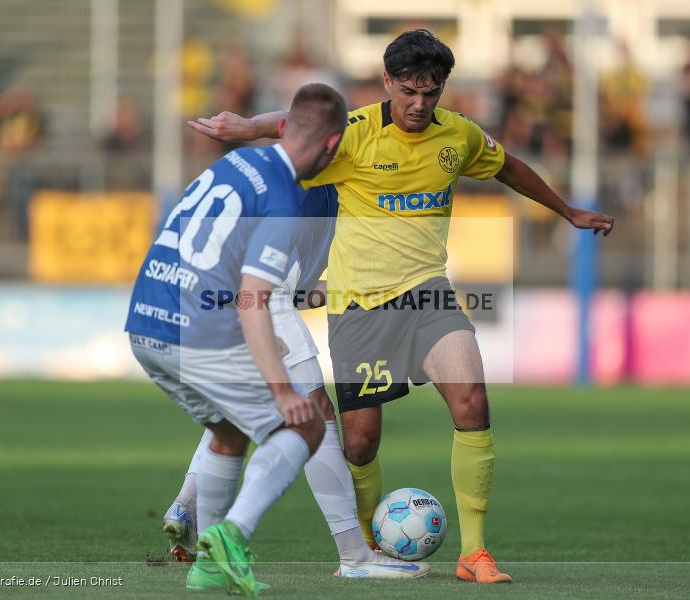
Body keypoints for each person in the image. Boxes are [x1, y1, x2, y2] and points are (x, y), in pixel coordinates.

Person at [190, 29, 614, 585]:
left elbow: (507, 165)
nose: (419, 104)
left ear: (442, 89)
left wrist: (567, 211)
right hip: (359, 307)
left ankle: (475, 553)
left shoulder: (456, 136)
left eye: (431, 93)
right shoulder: (357, 134)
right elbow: (298, 124)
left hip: (429, 294)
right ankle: (365, 547)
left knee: (472, 403)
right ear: (388, 82)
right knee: (361, 443)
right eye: (409, 91)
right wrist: (247, 127)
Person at [125, 83, 349, 596]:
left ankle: (206, 566)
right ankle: (232, 535)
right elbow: (255, 299)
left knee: (228, 431)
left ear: (283, 127)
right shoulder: (287, 199)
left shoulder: (229, 167)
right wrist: (279, 388)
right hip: (198, 333)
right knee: (306, 425)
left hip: (145, 319)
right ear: (333, 147)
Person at [161, 183, 429, 580]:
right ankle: (354, 556)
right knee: (316, 416)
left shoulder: (312, 189)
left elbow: (307, 288)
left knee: (241, 412)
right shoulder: (329, 181)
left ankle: (187, 505)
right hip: (260, 296)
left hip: (217, 292)